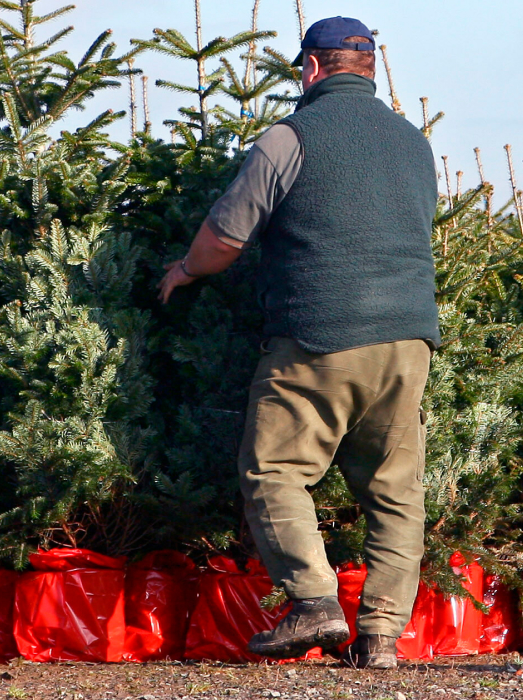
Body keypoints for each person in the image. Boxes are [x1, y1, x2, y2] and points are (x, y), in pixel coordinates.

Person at [157, 16, 439, 670]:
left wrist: (185, 271)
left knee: (275, 469)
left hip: (319, 334)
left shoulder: (292, 137)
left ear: (312, 68)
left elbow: (225, 237)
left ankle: (314, 599)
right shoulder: (412, 143)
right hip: (408, 340)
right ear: (370, 68)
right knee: (396, 491)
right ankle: (380, 641)